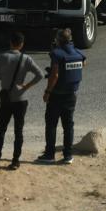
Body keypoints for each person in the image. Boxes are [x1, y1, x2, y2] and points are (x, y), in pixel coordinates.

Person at [0, 31, 44, 170]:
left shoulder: (0, 58)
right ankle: (15, 161)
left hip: (6, 99)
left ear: (10, 42)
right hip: (21, 99)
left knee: (2, 129)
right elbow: (40, 75)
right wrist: (26, 86)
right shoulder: (26, 59)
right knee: (18, 131)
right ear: (22, 44)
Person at [38, 28, 86, 165]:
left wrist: (47, 92)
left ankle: (49, 155)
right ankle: (68, 155)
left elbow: (55, 75)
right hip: (71, 95)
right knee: (68, 125)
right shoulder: (78, 53)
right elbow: (83, 64)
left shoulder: (57, 54)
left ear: (59, 40)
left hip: (57, 95)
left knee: (51, 124)